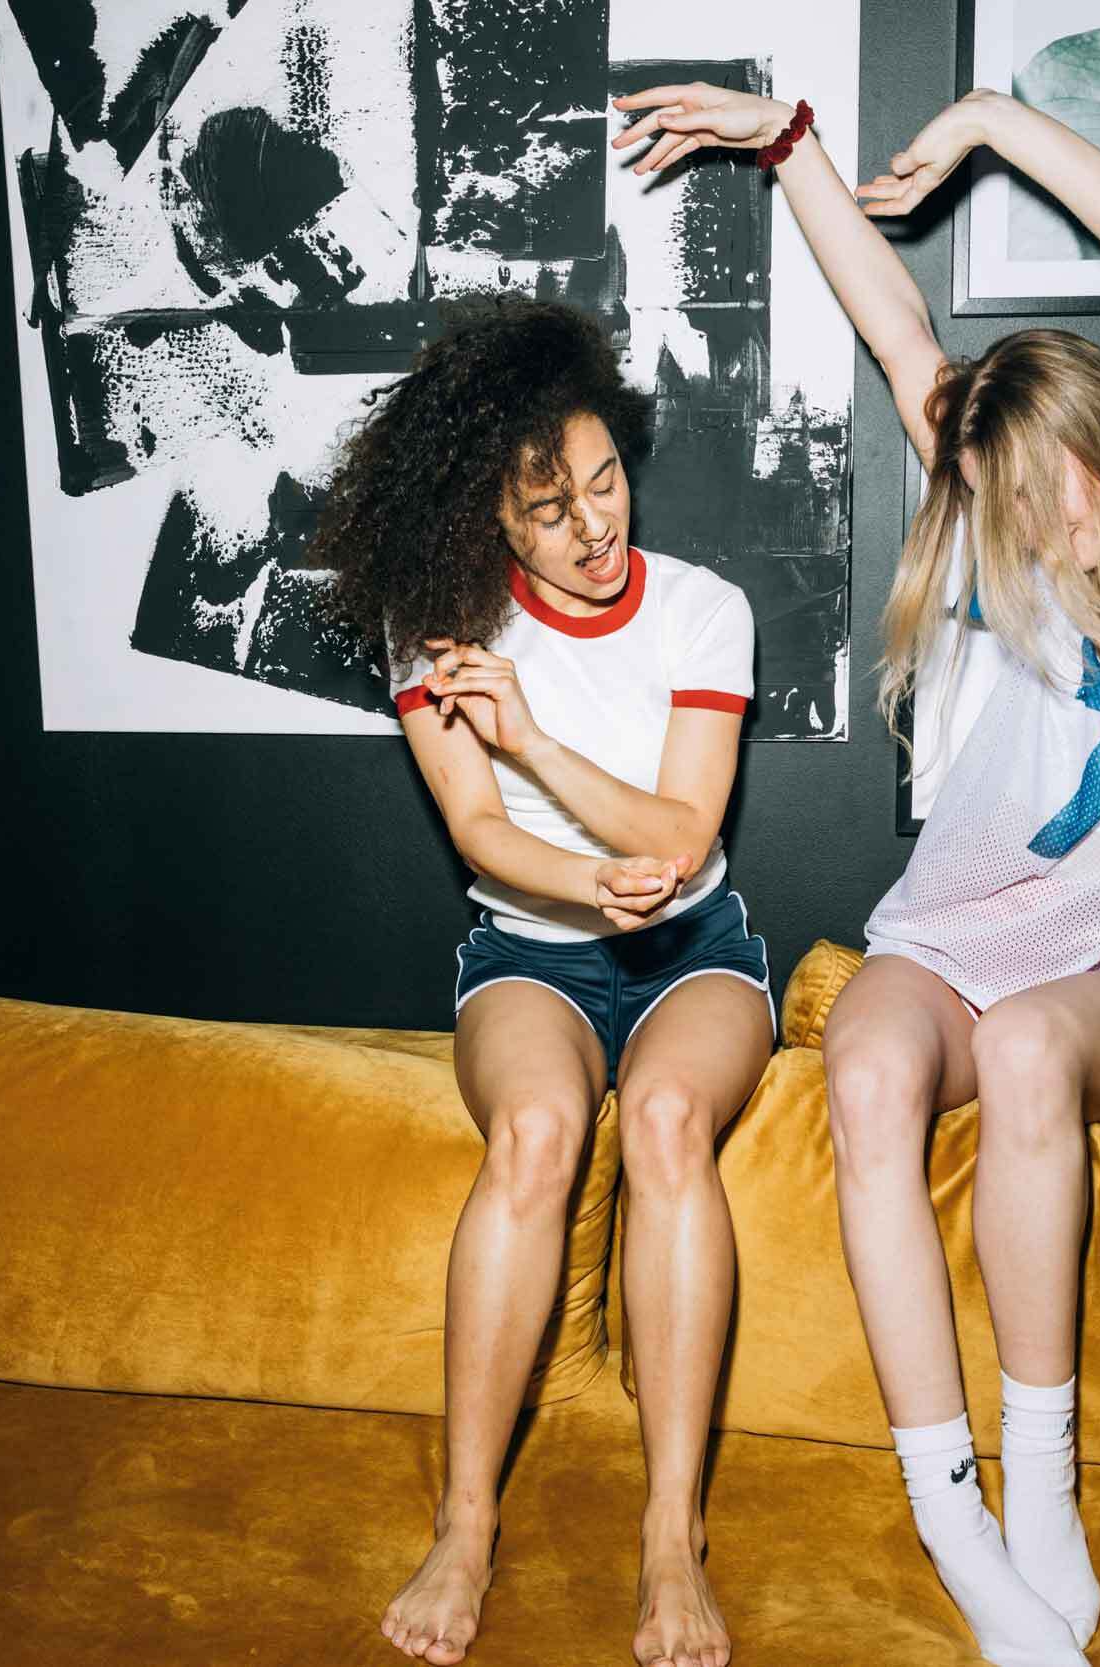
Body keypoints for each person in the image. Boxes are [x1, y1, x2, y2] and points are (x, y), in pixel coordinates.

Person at [612, 82, 1100, 1667]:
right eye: (1002, 503)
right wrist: (791, 145)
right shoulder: (993, 531)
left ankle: (1042, 1484)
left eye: (1055, 490)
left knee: (1032, 1047)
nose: (1038, 529)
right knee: (872, 1064)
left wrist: (990, 123)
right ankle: (946, 1503)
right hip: (941, 956)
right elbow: (901, 338)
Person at [312, 297, 773, 1667]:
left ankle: (670, 1536)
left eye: (605, 480)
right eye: (549, 506)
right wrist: (582, 880)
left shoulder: (704, 609)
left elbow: (680, 840)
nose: (592, 525)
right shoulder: (434, 622)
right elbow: (480, 837)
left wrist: (538, 746)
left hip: (697, 954)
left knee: (669, 1124)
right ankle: (466, 1524)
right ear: (491, 520)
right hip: (526, 950)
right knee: (537, 1130)